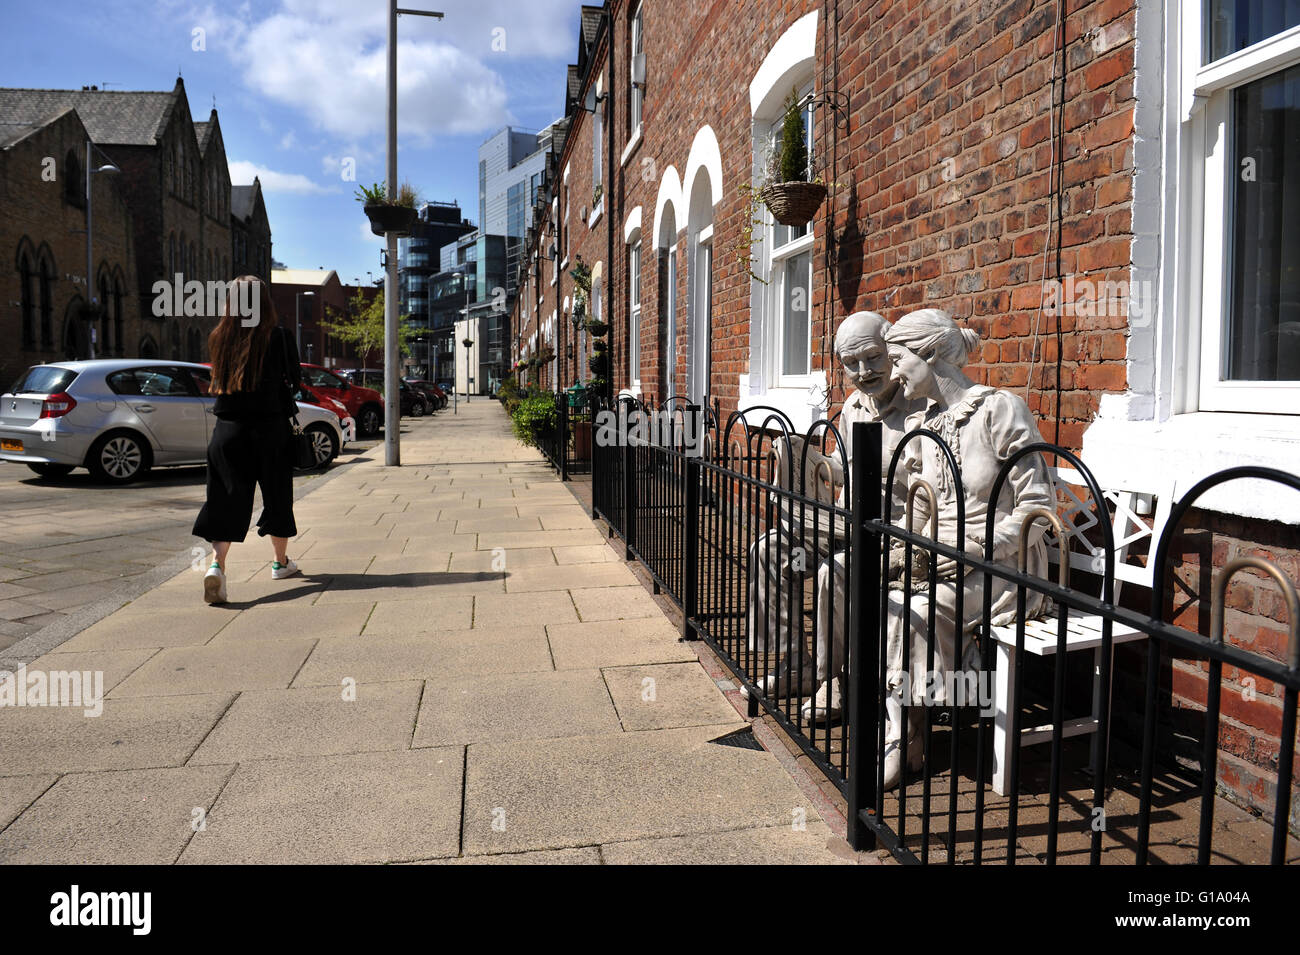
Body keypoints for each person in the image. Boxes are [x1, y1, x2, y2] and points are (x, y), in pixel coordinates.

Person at [876, 309, 1053, 788]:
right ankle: (907, 726)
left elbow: (1039, 508)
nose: (892, 373)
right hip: (939, 558)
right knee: (886, 597)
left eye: (897, 359)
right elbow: (920, 506)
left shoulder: (999, 410)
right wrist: (900, 548)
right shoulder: (926, 422)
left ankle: (916, 725)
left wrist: (979, 548)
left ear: (929, 353)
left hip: (1004, 567)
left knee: (917, 608)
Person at [746, 311, 920, 700]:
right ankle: (796, 665)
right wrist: (809, 460)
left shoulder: (920, 408)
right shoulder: (856, 405)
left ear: (891, 348)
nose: (863, 371)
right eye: (850, 363)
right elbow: (846, 470)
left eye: (873, 357)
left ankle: (835, 680)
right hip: (840, 528)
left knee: (831, 573)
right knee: (769, 551)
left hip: (888, 540)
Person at [192, 276, 303, 604]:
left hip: (228, 431)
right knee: (278, 495)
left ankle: (217, 565)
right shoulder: (280, 337)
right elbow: (294, 381)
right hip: (270, 429)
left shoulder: (220, 336)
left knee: (224, 500)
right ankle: (280, 563)